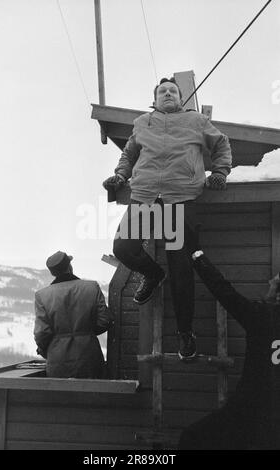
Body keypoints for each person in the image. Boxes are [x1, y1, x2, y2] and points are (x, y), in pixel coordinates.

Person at [103, 77, 232, 358]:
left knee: (181, 267)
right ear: (156, 99)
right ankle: (152, 274)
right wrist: (120, 175)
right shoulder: (142, 123)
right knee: (123, 248)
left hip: (179, 199)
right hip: (146, 196)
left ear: (181, 98)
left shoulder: (195, 120)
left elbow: (221, 143)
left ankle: (185, 333)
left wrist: (220, 172)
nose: (168, 94)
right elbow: (129, 154)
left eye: (173, 91)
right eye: (163, 91)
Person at [178, 230, 280, 449]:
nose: (270, 281)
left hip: (249, 413)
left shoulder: (262, 317)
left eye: (275, 282)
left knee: (191, 438)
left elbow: (224, 291)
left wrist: (197, 255)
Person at [34, 251, 112, 379]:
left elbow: (41, 333)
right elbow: (104, 320)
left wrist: (47, 349)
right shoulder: (92, 288)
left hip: (58, 361)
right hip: (89, 357)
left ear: (52, 273)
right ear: (69, 267)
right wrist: (86, 333)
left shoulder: (42, 296)